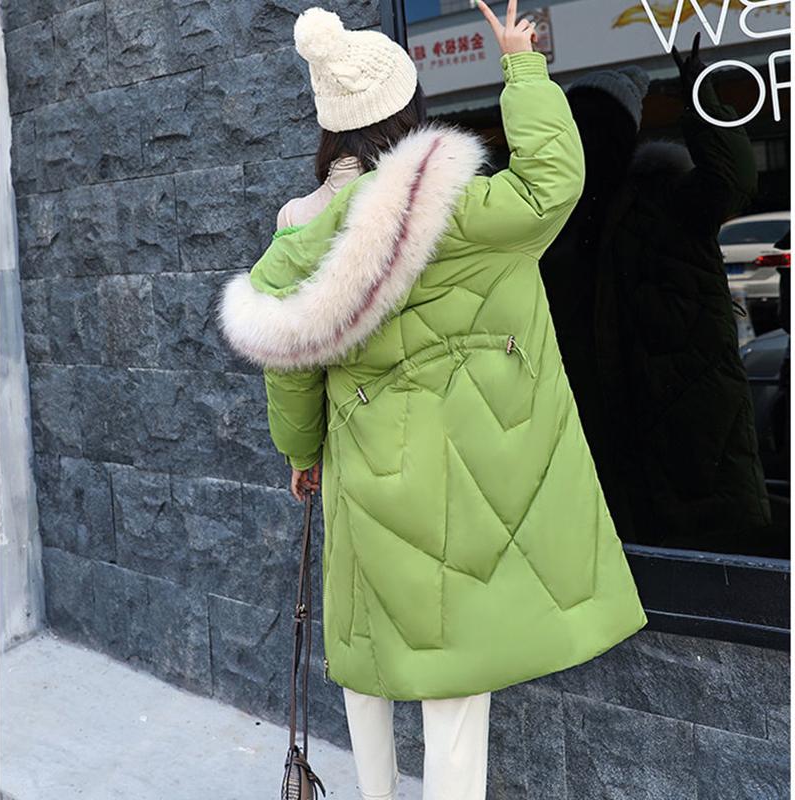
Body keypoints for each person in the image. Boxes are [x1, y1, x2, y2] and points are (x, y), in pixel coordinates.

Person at [219, 3, 647, 798]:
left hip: (371, 471)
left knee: (368, 656)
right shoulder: (466, 208)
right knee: (455, 680)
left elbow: (289, 371)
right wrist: (521, 66)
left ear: (330, 128)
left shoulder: (301, 239)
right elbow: (554, 180)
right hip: (479, 469)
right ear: (408, 107)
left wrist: (302, 453)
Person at [539, 35, 771, 550]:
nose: (586, 137)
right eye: (578, 125)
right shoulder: (557, 219)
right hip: (605, 435)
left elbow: (732, 180)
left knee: (711, 566)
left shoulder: (665, 196)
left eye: (597, 125)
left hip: (688, 431)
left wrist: (703, 96)